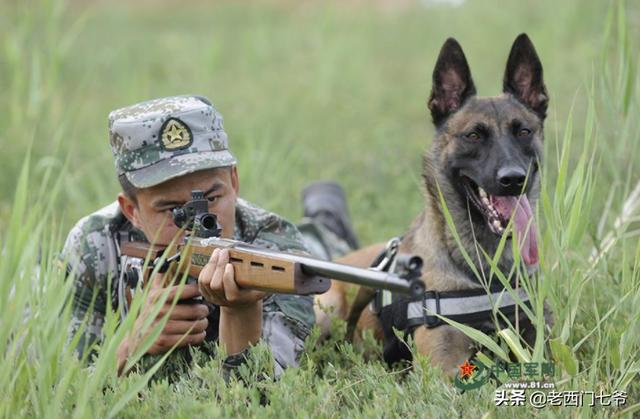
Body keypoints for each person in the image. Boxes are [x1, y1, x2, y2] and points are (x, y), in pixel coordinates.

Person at [60, 95, 356, 379]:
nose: (194, 225)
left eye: (211, 199)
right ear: (131, 210)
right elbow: (67, 383)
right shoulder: (96, 244)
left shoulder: (272, 245)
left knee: (323, 262)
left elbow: (263, 395)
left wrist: (241, 311)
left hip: (307, 248)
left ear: (234, 181)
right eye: (172, 209)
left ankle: (327, 222)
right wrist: (133, 346)